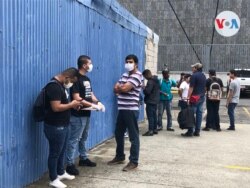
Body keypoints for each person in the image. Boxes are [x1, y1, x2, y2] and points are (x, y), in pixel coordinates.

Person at [66, 55, 105, 175]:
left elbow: (90, 93)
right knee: (74, 139)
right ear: (84, 65)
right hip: (77, 114)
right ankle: (69, 164)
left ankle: (83, 158)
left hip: (87, 113)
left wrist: (98, 102)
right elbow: (76, 98)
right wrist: (92, 105)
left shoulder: (87, 79)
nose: (91, 65)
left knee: (84, 137)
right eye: (90, 63)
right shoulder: (75, 78)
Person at [43, 68, 81, 188]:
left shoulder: (61, 85)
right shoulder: (53, 87)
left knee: (62, 150)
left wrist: (73, 106)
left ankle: (60, 172)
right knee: (55, 153)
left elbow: (63, 105)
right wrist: (71, 104)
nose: (71, 84)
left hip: (64, 124)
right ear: (67, 78)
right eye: (72, 82)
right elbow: (56, 107)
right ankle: (53, 179)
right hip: (55, 126)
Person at [108, 54, 143, 172]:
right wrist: (120, 88)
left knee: (133, 136)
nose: (128, 63)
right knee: (118, 133)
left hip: (131, 109)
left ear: (136, 64)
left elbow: (123, 88)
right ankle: (119, 156)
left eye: (131, 62)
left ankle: (134, 161)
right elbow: (115, 88)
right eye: (127, 61)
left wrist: (121, 88)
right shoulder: (124, 75)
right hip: (122, 108)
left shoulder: (138, 75)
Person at [181, 63, 206, 137]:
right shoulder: (203, 75)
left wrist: (188, 97)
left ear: (196, 68)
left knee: (191, 114)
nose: (192, 69)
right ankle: (197, 131)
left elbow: (191, 88)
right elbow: (204, 87)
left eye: (193, 67)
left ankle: (190, 131)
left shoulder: (194, 76)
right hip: (201, 96)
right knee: (199, 114)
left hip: (194, 97)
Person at [142, 69, 160, 136]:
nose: (145, 78)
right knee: (154, 115)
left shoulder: (150, 81)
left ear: (146, 75)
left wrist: (144, 88)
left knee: (150, 116)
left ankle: (150, 130)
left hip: (150, 101)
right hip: (155, 101)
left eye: (144, 76)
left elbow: (147, 92)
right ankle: (155, 129)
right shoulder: (156, 80)